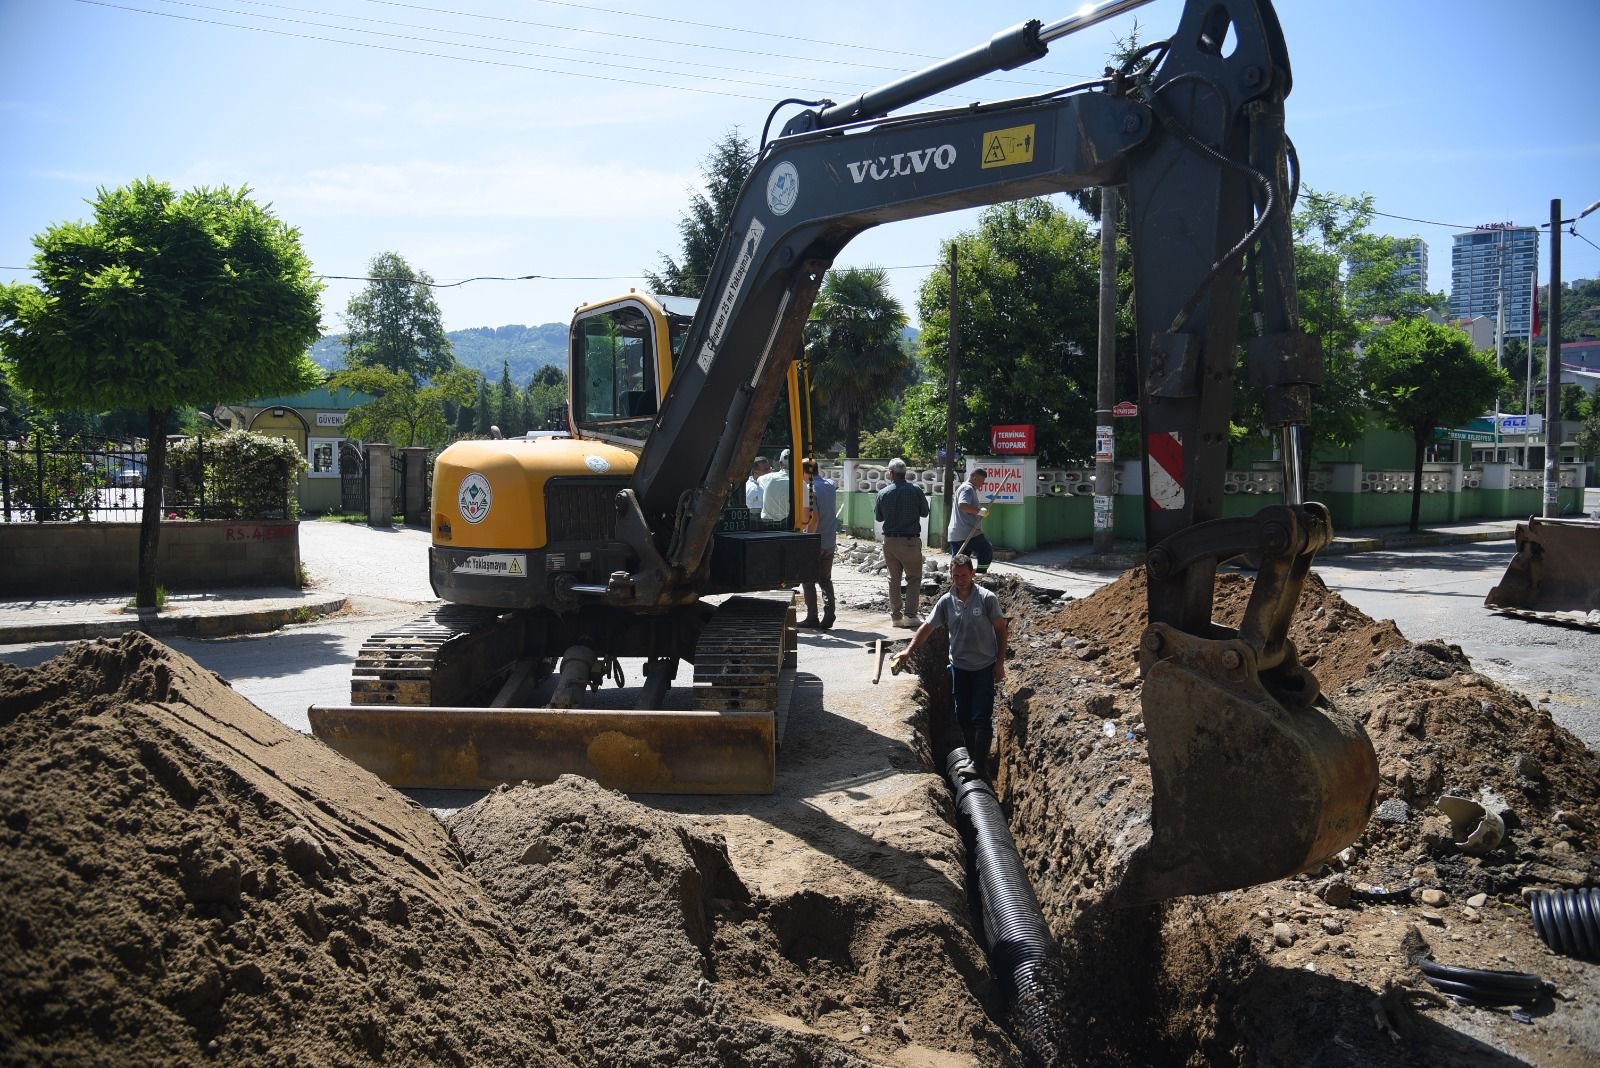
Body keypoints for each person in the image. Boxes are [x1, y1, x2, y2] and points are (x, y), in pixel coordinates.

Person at [893, 553, 1008, 776]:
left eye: (964, 575)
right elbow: (927, 628)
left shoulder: (986, 599)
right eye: (955, 576)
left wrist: (1000, 663)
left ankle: (979, 764)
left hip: (984, 667)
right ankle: (973, 758)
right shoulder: (946, 601)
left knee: (981, 717)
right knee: (963, 716)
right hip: (960, 668)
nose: (960, 580)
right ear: (950, 575)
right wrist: (908, 650)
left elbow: (1001, 629)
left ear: (973, 574)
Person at [874, 457, 929, 628]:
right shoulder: (916, 491)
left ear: (891, 473)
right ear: (905, 473)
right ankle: (910, 616)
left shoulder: (883, 493)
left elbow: (879, 517)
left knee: (894, 579)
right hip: (910, 541)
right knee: (913, 578)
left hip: (889, 541)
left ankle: (896, 618)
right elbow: (925, 513)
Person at [798, 457, 837, 629]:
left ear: (805, 472)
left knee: (808, 580)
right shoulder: (830, 486)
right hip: (830, 539)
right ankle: (829, 613)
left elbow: (814, 519)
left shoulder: (809, 489)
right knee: (825, 580)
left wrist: (808, 541)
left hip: (816, 540)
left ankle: (812, 617)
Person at [947, 468, 994, 572]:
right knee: (986, 550)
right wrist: (979, 512)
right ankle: (980, 574)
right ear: (974, 477)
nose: (982, 484)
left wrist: (978, 511)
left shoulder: (964, 488)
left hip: (957, 532)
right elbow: (963, 505)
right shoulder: (967, 488)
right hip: (967, 532)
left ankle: (955, 578)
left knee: (960, 561)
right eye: (981, 481)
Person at [759, 449, 792, 524]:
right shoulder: (801, 483)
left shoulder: (766, 478)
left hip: (767, 527)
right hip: (790, 526)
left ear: (780, 464)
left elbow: (758, 480)